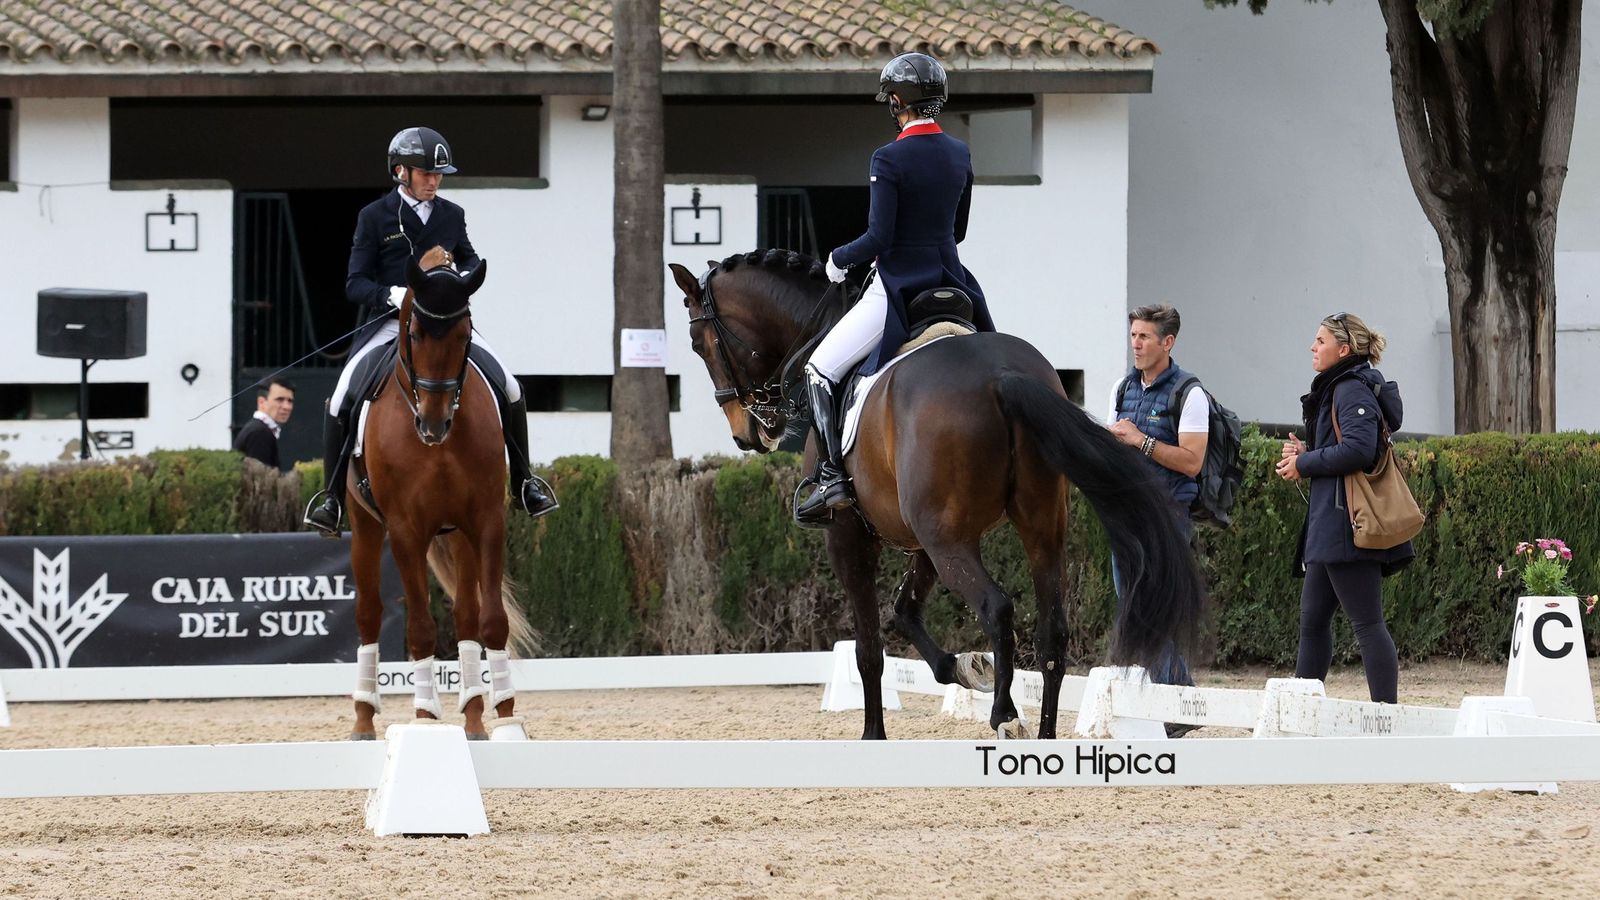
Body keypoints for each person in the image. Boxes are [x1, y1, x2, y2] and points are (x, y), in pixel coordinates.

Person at [303, 126, 557, 537]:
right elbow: (355, 284)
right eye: (426, 174)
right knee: (341, 398)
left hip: (445, 322)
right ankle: (331, 498)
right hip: (389, 326)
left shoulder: (451, 215)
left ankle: (525, 482)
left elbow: (471, 260)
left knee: (509, 386)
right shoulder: (374, 217)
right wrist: (398, 293)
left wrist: (459, 278)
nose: (434, 181)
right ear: (401, 171)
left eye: (439, 174)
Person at [796, 51, 995, 527]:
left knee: (819, 370)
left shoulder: (888, 158)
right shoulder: (960, 153)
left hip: (899, 285)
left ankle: (831, 479)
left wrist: (838, 261)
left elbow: (880, 239)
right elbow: (959, 230)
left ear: (897, 102)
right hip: (953, 282)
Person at [1275, 312, 1412, 704]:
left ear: (1344, 349)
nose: (1312, 347)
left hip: (1346, 523)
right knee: (1313, 620)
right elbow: (1343, 447)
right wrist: (1308, 453)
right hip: (1330, 523)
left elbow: (1358, 449)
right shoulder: (1338, 387)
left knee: (1367, 624)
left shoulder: (1349, 388)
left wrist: (1304, 463)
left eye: (1320, 341)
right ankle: (1303, 711)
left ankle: (1385, 717)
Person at [1105, 304, 1208, 730]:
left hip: (1167, 517)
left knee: (1153, 610)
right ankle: (1181, 704)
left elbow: (1192, 462)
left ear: (1168, 342)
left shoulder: (1190, 393)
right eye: (1133, 335)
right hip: (1126, 516)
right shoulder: (1121, 388)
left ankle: (1175, 708)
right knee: (1134, 609)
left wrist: (1141, 441)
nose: (1136, 344)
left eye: (1144, 337)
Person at [234, 378, 294, 470]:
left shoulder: (258, 429)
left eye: (290, 401)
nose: (287, 407)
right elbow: (261, 480)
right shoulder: (259, 433)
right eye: (280, 399)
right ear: (261, 402)